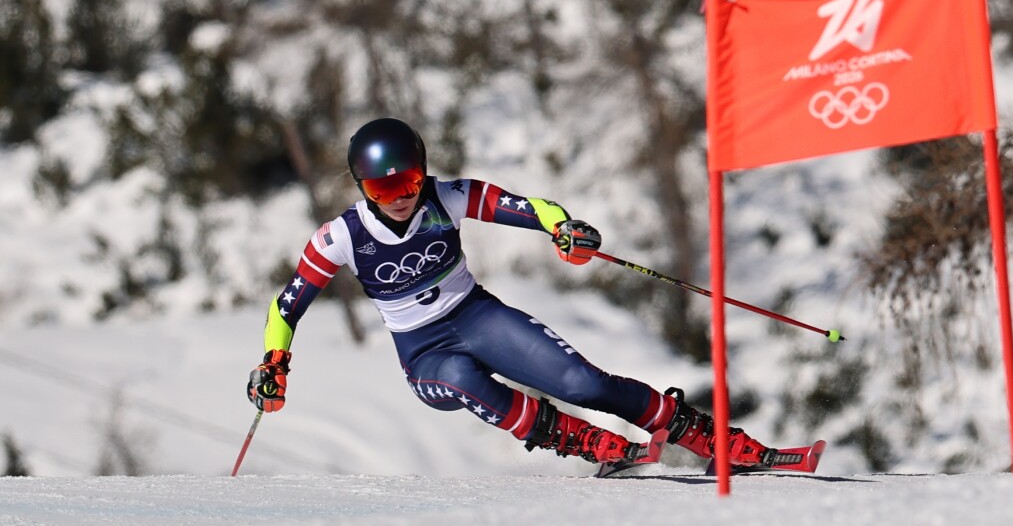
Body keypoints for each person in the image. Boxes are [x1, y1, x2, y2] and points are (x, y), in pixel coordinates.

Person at [246, 117, 773, 466]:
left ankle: (715, 440)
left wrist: (563, 229)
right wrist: (274, 363)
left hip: (478, 317)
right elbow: (286, 306)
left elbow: (530, 208)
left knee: (584, 382)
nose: (401, 198)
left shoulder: (445, 197)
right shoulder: (341, 237)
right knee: (462, 377)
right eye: (384, 189)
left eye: (407, 183)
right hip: (424, 353)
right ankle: (584, 441)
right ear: (362, 188)